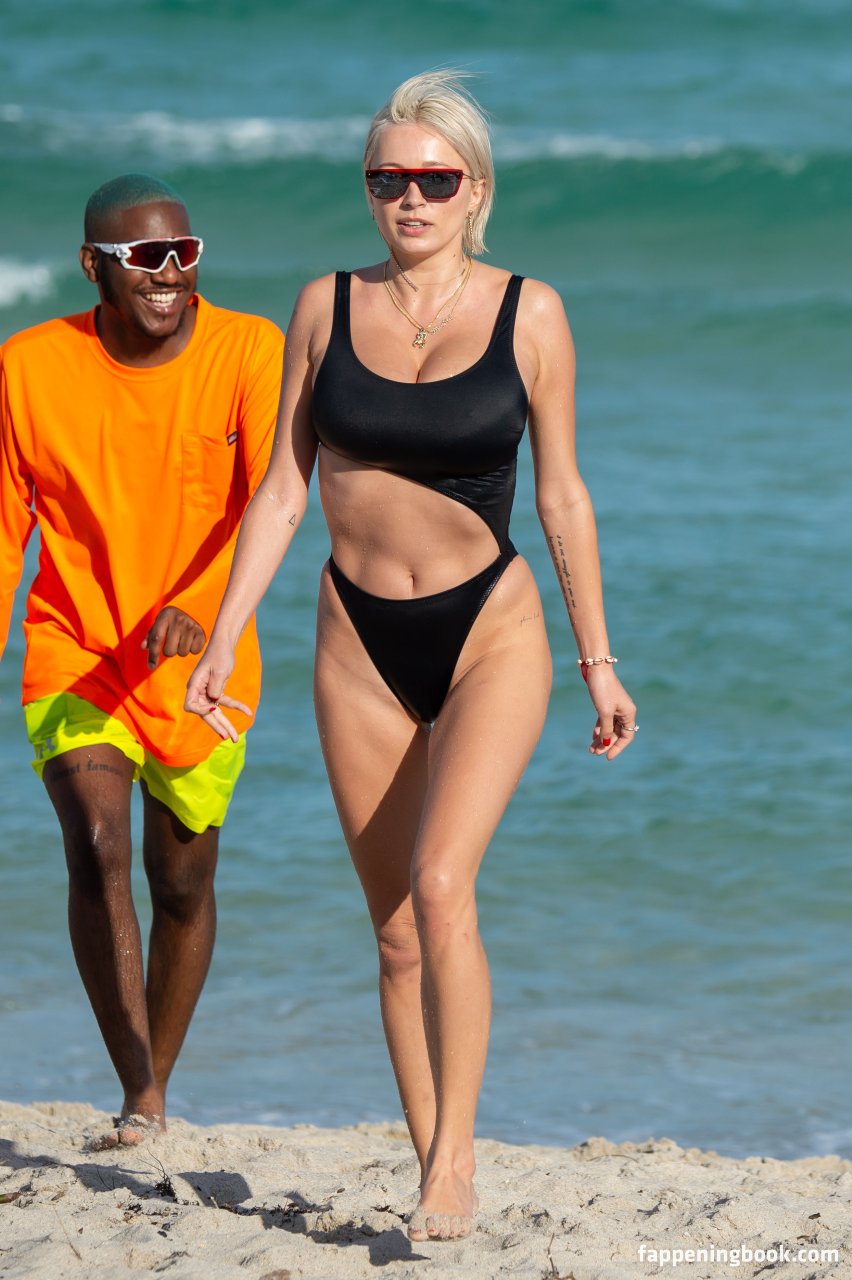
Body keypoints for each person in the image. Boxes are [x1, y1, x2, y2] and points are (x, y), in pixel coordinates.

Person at [186, 71, 637, 1240]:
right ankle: (428, 1150)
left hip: (490, 629)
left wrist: (598, 660)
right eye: (388, 177)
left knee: (443, 886)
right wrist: (224, 638)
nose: (411, 198)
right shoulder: (325, 305)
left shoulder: (530, 312)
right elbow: (284, 490)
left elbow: (564, 494)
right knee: (393, 929)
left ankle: (455, 1161)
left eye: (435, 178)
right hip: (356, 639)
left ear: (475, 189)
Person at [0, 174, 284, 1147]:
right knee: (96, 843)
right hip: (76, 647)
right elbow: (4, 531)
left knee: (182, 881)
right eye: (146, 256)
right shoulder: (28, 368)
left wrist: (202, 612)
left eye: (184, 252)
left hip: (206, 666)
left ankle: (158, 1072)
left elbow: (274, 505)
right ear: (94, 265)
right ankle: (140, 1093)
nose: (169, 273)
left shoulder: (250, 351)